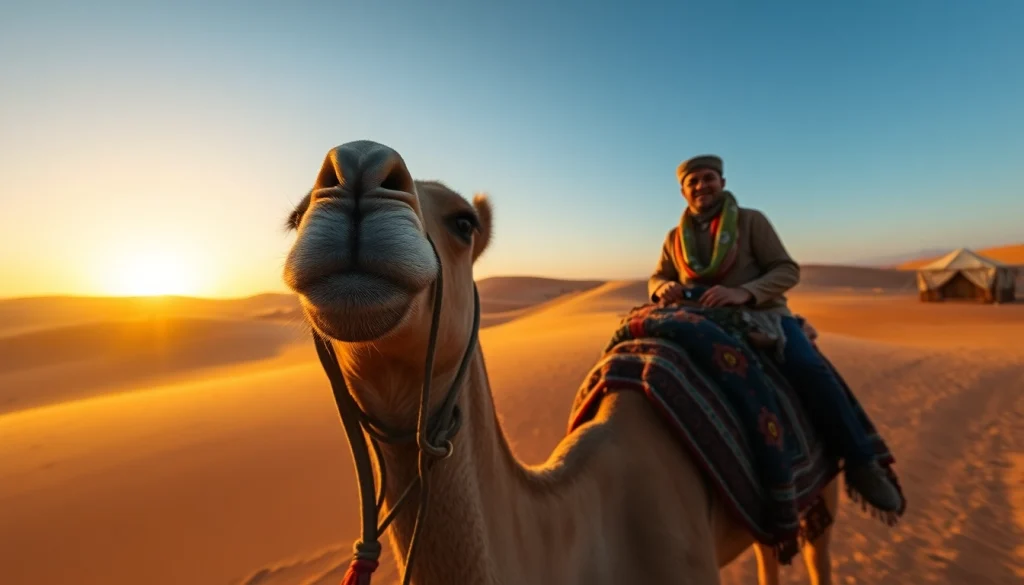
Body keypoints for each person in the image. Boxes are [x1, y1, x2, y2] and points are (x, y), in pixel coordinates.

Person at [648, 154, 902, 512]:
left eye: (709, 178)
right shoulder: (674, 238)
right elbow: (658, 275)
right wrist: (661, 290)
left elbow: (786, 270)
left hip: (763, 315)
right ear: (683, 190)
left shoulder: (751, 221)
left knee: (807, 367)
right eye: (694, 181)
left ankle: (860, 462)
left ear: (722, 182)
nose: (702, 186)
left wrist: (744, 292)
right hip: (702, 319)